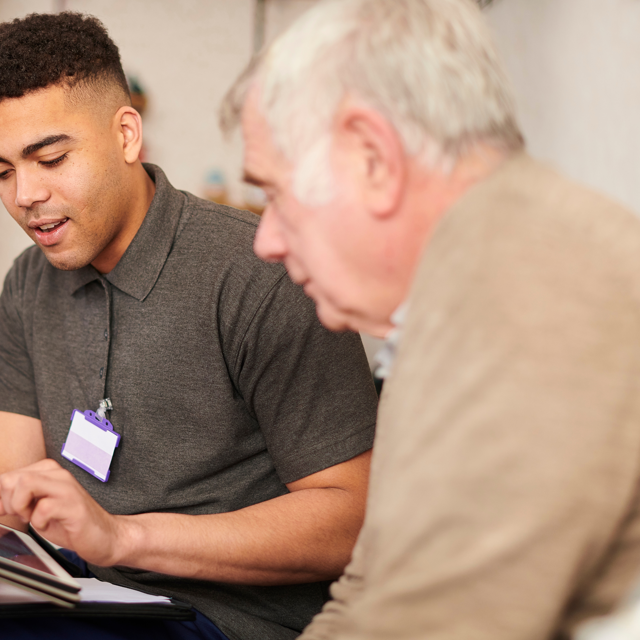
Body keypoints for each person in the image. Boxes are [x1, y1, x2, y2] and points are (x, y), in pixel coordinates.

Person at [220, 0, 640, 637]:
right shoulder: (463, 281)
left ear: (374, 159)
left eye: (274, 193)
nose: (266, 241)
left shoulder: (522, 293)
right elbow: (373, 583)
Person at [0, 11, 379, 640]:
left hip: (227, 620)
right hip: (76, 590)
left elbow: (353, 521)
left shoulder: (262, 274)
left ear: (127, 136)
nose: (25, 196)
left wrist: (123, 537)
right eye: (3, 171)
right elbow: (12, 491)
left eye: (52, 158)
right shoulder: (27, 284)